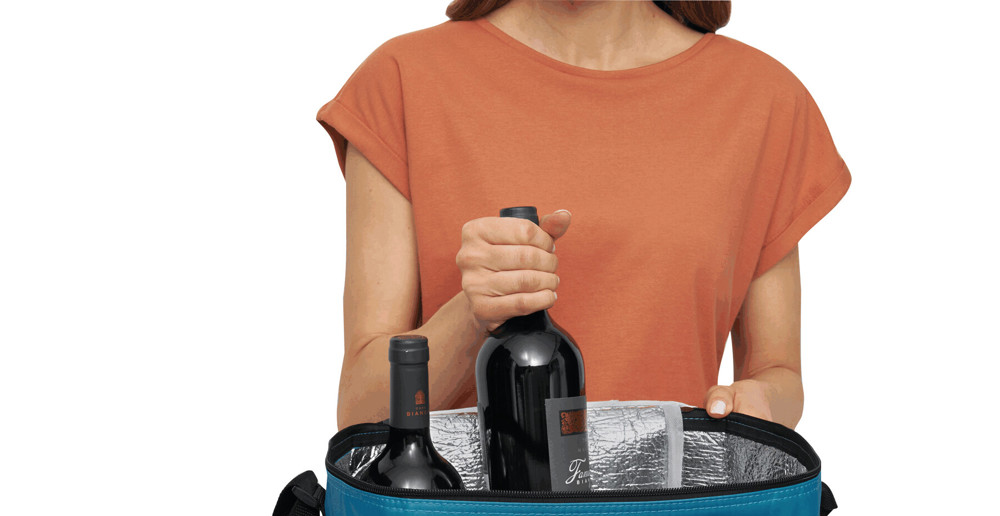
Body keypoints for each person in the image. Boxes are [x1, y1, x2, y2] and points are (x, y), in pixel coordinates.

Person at [318, 0, 851, 430]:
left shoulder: (765, 100)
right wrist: (474, 315)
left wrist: (760, 406)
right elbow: (361, 414)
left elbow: (779, 374)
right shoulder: (402, 81)